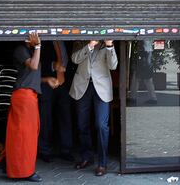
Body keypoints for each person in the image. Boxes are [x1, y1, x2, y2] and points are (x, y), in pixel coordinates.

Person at [1, 33, 58, 182]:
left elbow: (31, 76)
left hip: (29, 96)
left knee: (27, 134)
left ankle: (12, 165)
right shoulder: (20, 50)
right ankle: (24, 172)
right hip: (23, 97)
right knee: (24, 136)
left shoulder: (31, 52)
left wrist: (46, 80)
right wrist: (38, 46)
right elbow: (33, 67)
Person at [70, 40, 118, 177]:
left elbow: (113, 65)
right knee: (82, 124)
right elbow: (74, 59)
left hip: (101, 88)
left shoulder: (107, 41)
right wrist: (90, 45)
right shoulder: (80, 39)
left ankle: (102, 163)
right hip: (82, 86)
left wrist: (109, 46)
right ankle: (87, 157)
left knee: (101, 125)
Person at [38, 41, 74, 163]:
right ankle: (44, 150)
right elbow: (36, 62)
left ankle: (66, 150)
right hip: (47, 81)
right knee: (45, 117)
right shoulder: (43, 38)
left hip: (64, 82)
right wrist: (53, 65)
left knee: (66, 116)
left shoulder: (67, 38)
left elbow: (70, 59)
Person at [129, 40, 157, 105]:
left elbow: (143, 43)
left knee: (136, 78)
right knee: (147, 79)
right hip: (147, 53)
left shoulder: (144, 39)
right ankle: (153, 98)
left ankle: (133, 97)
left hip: (144, 54)